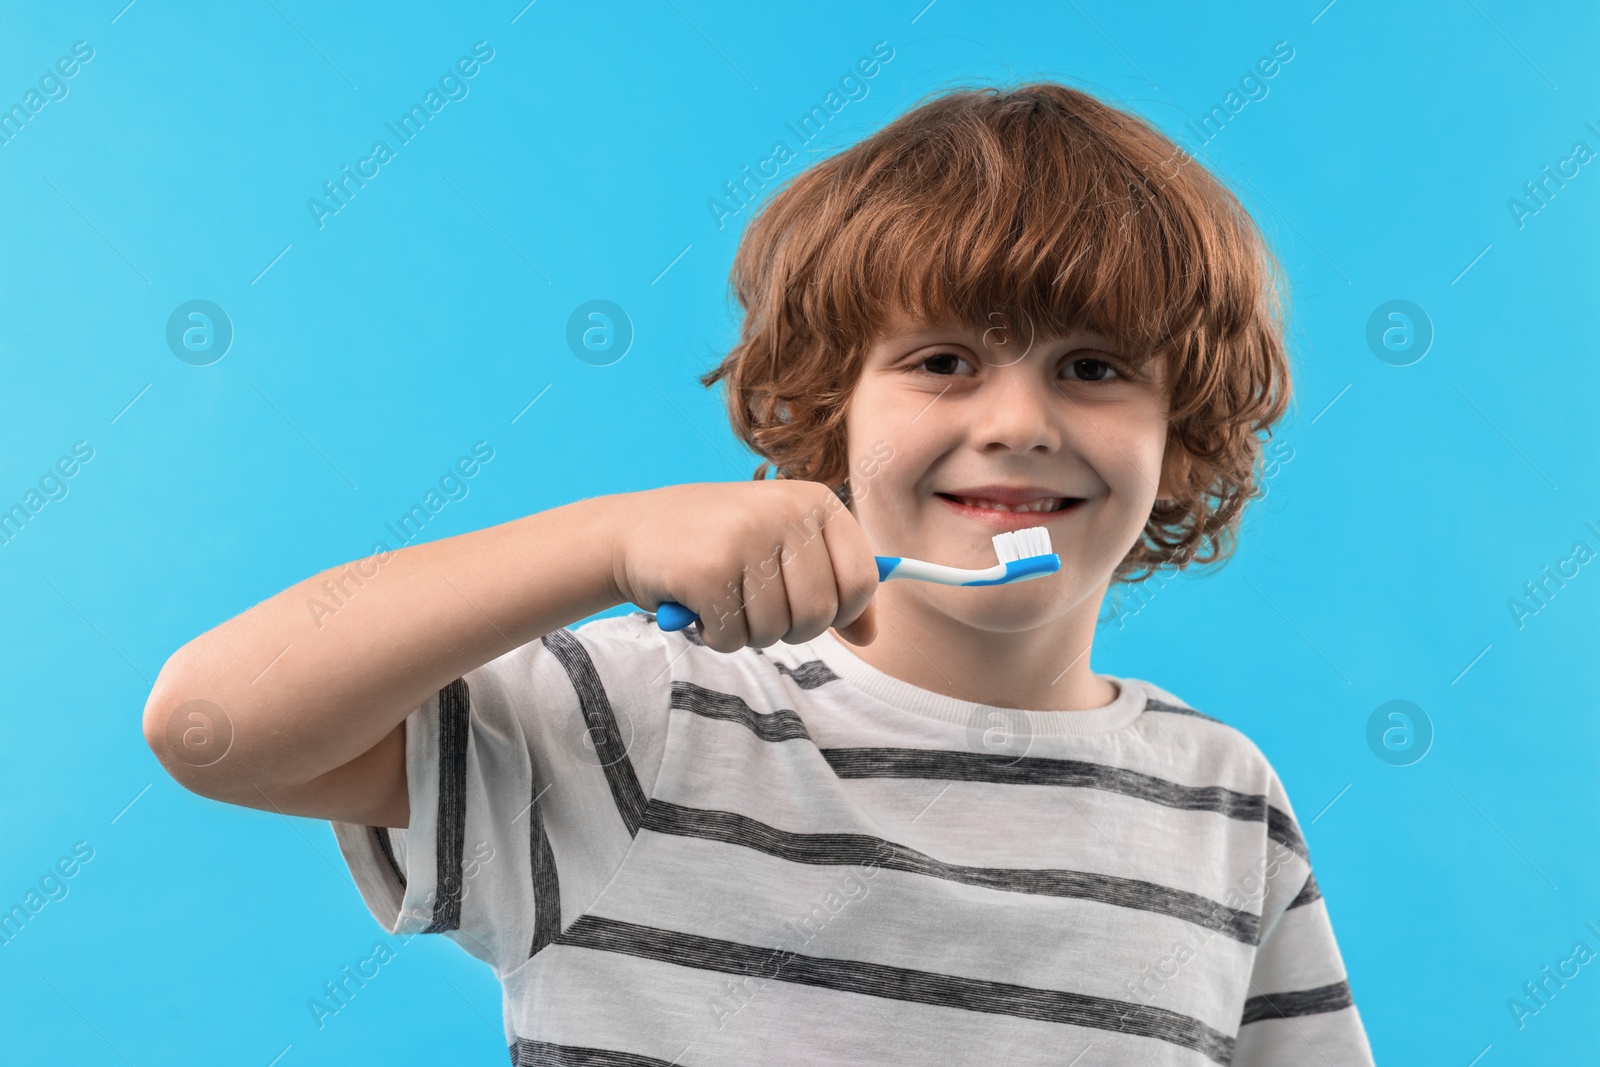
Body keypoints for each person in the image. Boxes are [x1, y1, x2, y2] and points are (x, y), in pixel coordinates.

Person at [143, 80, 1376, 1065]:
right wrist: (605, 543)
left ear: (1185, 436)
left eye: (1094, 367)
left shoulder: (1222, 799)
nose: (1017, 419)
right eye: (944, 360)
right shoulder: (642, 723)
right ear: (828, 412)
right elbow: (215, 724)